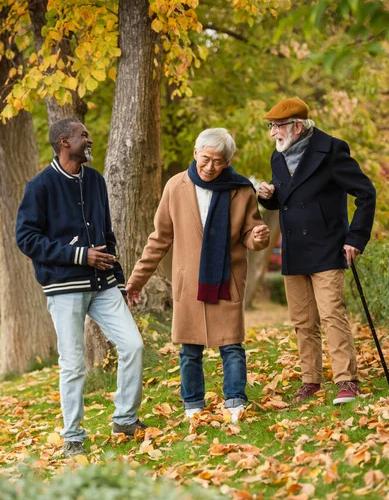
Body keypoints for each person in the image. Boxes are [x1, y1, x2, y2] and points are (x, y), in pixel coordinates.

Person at [16, 118, 145, 458]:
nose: (89, 139)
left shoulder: (96, 181)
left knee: (133, 345)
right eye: (83, 135)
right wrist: (78, 255)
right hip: (64, 288)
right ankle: (73, 436)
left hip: (104, 285)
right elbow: (26, 239)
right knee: (73, 365)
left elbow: (108, 235)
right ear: (63, 142)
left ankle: (125, 420)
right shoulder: (39, 187)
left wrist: (118, 282)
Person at [126, 128, 270, 422]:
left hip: (226, 279)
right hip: (189, 281)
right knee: (189, 347)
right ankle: (193, 404)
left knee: (231, 344)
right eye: (205, 159)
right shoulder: (175, 187)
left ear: (227, 162)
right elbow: (159, 239)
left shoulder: (241, 189)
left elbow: (250, 236)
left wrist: (259, 236)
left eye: (218, 162)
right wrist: (135, 281)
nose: (209, 167)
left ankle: (235, 400)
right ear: (195, 154)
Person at [258, 98, 376, 405]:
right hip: (294, 249)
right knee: (303, 321)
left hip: (327, 245)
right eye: (271, 127)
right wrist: (268, 196)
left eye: (278, 126)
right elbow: (286, 197)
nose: (273, 133)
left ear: (297, 126)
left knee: (331, 314)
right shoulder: (278, 157)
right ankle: (311, 380)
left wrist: (355, 238)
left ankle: (346, 380)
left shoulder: (333, 150)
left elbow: (366, 193)